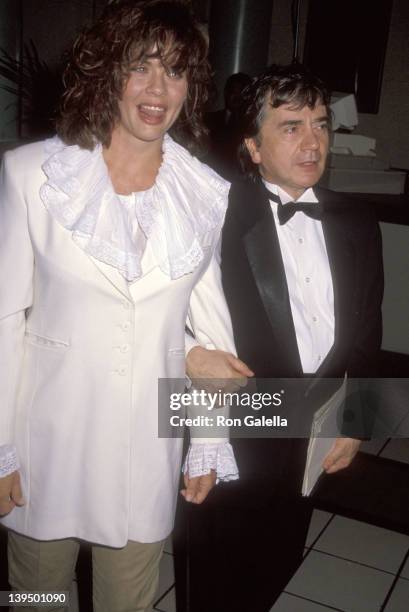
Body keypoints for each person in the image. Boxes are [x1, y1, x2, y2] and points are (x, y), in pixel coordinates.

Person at [0, 2, 253, 610]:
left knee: (130, 602)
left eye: (175, 71)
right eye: (140, 66)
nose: (157, 88)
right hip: (47, 440)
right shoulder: (32, 174)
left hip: (146, 442)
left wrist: (209, 441)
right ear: (106, 73)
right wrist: (0, 449)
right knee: (37, 597)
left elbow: (212, 339)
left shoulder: (204, 192)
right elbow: (5, 320)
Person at [175, 64, 384, 612]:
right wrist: (191, 360)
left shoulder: (358, 221)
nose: (313, 142)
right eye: (291, 126)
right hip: (234, 430)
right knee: (214, 581)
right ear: (253, 146)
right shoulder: (212, 217)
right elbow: (161, 317)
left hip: (312, 435)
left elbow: (366, 336)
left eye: (320, 124)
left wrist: (355, 423)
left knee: (276, 563)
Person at [205, 72, 252, 180]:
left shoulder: (252, 125)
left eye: (241, 93)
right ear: (226, 93)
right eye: (233, 92)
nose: (237, 97)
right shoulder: (208, 120)